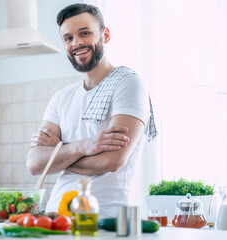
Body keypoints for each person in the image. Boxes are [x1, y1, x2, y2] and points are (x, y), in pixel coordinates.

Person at [26, 3, 154, 219]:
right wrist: (85, 146)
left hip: (101, 221)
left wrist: (59, 154)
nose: (76, 43)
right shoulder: (62, 98)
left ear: (105, 35)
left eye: (84, 33)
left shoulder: (128, 84)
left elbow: (111, 161)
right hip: (54, 219)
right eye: (68, 38)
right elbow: (35, 163)